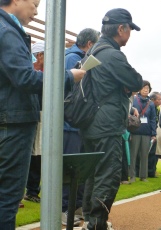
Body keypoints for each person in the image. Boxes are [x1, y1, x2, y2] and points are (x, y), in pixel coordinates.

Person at [0, 0, 85, 228]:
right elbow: (24, 78)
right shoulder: (7, 31)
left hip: (8, 118)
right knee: (8, 197)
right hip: (13, 122)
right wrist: (68, 76)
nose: (37, 11)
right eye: (35, 3)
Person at [80, 8, 143, 230]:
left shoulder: (93, 50)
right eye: (130, 29)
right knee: (109, 174)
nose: (130, 33)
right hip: (107, 125)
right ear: (121, 28)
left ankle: (90, 220)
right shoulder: (113, 54)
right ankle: (97, 223)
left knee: (93, 174)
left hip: (90, 123)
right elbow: (136, 81)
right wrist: (126, 86)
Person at [62, 28, 100, 226]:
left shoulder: (77, 57)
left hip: (76, 124)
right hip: (69, 123)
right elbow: (70, 91)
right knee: (68, 168)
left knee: (78, 168)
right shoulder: (71, 58)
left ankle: (75, 206)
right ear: (89, 43)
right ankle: (63, 209)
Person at [23, 41, 45, 204]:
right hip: (32, 115)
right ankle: (30, 190)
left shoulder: (41, 72)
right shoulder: (30, 72)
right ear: (39, 55)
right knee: (32, 155)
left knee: (38, 154)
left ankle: (32, 190)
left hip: (41, 115)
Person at [129, 81, 157, 182]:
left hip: (146, 132)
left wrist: (153, 134)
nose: (146, 90)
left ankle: (143, 176)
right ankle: (132, 176)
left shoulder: (151, 104)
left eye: (148, 88)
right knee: (133, 155)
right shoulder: (134, 100)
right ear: (140, 89)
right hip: (135, 131)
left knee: (145, 155)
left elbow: (153, 119)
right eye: (144, 87)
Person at [148, 91, 161, 178]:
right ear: (153, 100)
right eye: (159, 99)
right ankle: (149, 172)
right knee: (149, 153)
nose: (160, 101)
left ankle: (152, 171)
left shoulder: (158, 109)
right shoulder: (150, 107)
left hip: (154, 132)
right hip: (148, 133)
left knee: (153, 153)